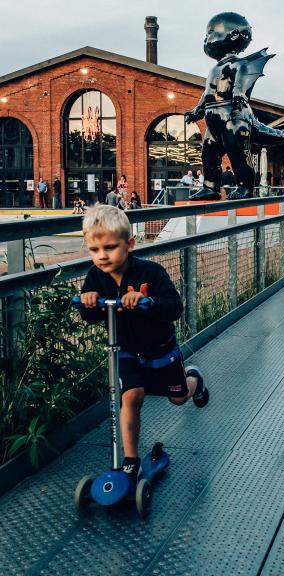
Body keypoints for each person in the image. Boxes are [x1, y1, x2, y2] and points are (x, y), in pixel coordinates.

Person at [78, 205, 209, 484]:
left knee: (178, 398)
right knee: (131, 396)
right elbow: (88, 316)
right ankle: (130, 460)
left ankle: (195, 380)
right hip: (125, 350)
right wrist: (89, 301)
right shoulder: (95, 278)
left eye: (111, 248)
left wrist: (147, 302)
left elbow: (175, 307)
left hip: (160, 349)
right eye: (94, 250)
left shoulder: (151, 272)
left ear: (130, 244)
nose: (102, 256)